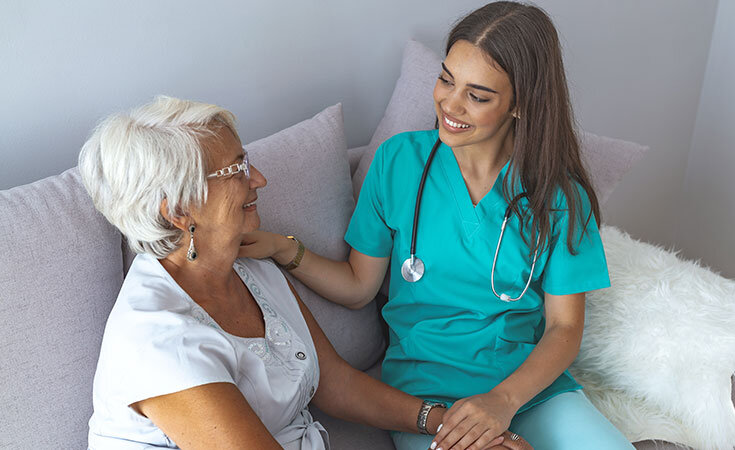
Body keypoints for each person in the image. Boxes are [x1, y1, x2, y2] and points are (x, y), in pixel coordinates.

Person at [240, 2, 636, 450]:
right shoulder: (398, 163)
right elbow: (357, 286)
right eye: (447, 78)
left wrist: (503, 401)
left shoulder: (559, 197)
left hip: (528, 391)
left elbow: (564, 328)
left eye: (478, 95)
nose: (450, 103)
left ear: (521, 104)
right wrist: (282, 248)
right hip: (425, 396)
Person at [79, 96, 530, 450]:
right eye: (236, 170)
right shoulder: (159, 344)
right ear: (179, 210)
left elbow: (336, 384)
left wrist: (451, 424)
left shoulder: (247, 264)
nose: (259, 179)